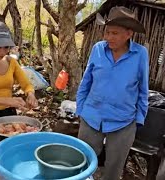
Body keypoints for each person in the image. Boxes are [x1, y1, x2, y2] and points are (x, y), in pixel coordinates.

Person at [76, 6, 149, 180]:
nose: (108, 37)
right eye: (107, 32)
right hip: (91, 116)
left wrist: (138, 120)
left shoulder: (140, 54)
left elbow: (143, 89)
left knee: (114, 169)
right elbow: (86, 81)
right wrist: (80, 109)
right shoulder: (98, 49)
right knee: (82, 164)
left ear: (129, 34)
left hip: (123, 121)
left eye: (114, 33)